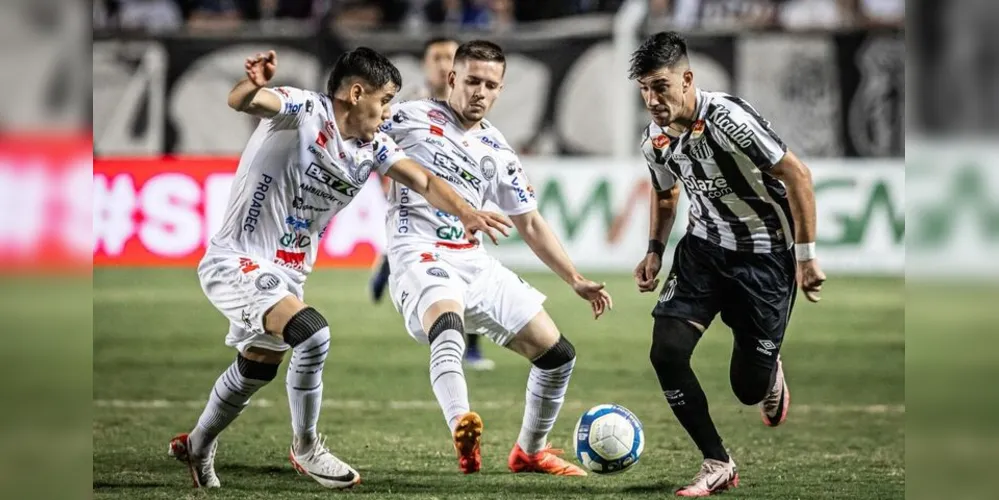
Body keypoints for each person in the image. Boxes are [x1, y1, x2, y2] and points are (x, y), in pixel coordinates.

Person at [167, 47, 510, 490]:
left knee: (257, 365)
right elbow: (246, 101)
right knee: (314, 333)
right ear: (355, 92)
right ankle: (307, 447)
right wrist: (253, 84)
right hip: (236, 260)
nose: (388, 113)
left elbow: (423, 180)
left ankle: (197, 445)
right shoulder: (304, 110)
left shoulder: (373, 146)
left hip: (288, 274)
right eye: (385, 100)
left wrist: (465, 211)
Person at [380, 40, 613, 476]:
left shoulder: (497, 149)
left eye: (490, 84)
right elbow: (354, 129)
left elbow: (530, 223)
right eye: (471, 81)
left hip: (475, 263)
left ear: (501, 89)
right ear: (452, 79)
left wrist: (575, 279)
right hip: (419, 252)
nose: (480, 92)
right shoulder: (408, 117)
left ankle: (529, 452)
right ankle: (461, 427)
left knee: (558, 353)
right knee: (446, 324)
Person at [629, 32, 826, 496]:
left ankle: (769, 366)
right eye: (644, 89)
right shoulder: (655, 139)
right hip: (702, 251)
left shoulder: (729, 118)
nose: (652, 100)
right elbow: (665, 191)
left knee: (748, 389)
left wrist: (807, 257)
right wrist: (655, 248)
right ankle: (717, 461)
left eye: (660, 86)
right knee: (666, 353)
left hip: (764, 259)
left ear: (687, 79)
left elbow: (796, 174)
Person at [369, 37, 497, 370]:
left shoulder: (472, 103)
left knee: (471, 269)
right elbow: (381, 142)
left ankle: (471, 349)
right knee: (441, 274)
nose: (443, 64)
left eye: (449, 57)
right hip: (420, 200)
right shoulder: (409, 102)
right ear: (426, 64)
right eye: (436, 57)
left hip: (463, 203)